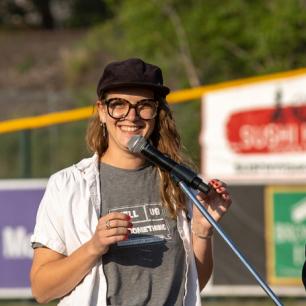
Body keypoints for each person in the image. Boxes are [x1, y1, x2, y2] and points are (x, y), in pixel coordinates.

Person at [30, 58, 232, 306]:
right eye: (118, 105)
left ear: (157, 113)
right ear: (102, 111)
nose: (132, 116)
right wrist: (94, 246)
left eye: (144, 106)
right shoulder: (68, 184)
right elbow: (42, 289)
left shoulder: (181, 182)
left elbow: (190, 289)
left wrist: (202, 232)